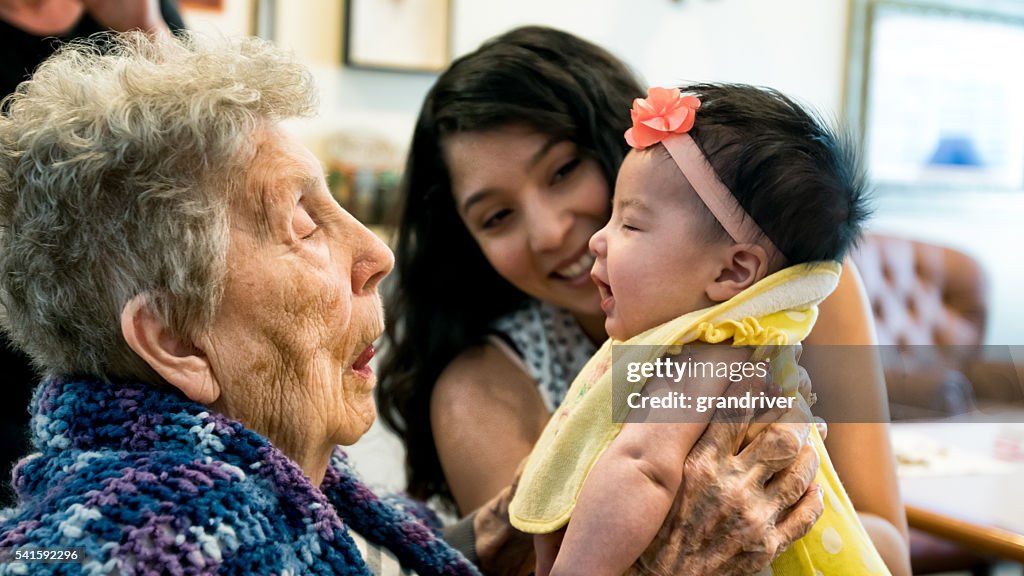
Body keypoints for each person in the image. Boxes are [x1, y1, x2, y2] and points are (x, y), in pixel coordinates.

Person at [378, 25, 908, 573]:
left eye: (563, 171)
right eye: (497, 217)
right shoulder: (480, 389)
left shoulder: (789, 298)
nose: (552, 233)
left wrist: (778, 521)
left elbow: (888, 547)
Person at [0, 30, 485, 574]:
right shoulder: (172, 536)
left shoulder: (262, 484)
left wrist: (487, 532)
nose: (377, 254)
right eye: (302, 226)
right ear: (177, 339)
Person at [508, 83, 907, 576]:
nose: (598, 239)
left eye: (630, 224)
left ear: (731, 273)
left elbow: (643, 468)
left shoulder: (711, 352)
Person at [0, 0, 185, 507]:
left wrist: (143, 29)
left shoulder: (138, 16)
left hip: (122, 342)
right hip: (11, 333)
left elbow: (205, 148)